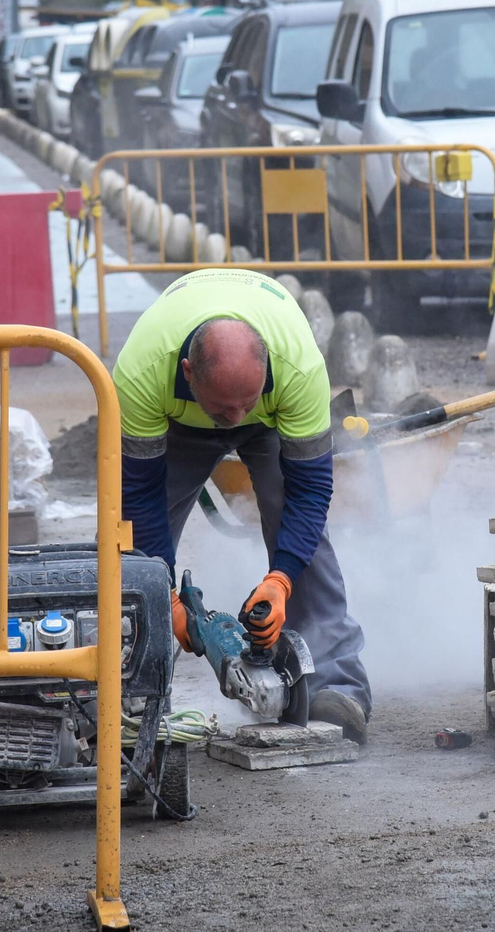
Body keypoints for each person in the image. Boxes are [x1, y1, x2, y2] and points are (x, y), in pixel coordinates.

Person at [113, 268, 371, 741]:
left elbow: (311, 493)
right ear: (188, 373)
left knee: (296, 523)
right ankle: (134, 697)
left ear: (268, 367)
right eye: (225, 408)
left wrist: (282, 579)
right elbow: (139, 499)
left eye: (245, 403)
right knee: (128, 554)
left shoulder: (299, 369)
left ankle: (340, 685)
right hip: (177, 419)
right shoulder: (141, 373)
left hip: (274, 416)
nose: (236, 421)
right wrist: (165, 595)